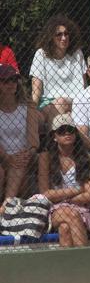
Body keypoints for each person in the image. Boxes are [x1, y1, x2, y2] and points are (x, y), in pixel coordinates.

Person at [38, 114, 90, 247]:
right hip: (53, 209)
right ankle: (85, 260)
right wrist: (77, 190)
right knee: (72, 214)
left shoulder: (85, 157)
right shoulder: (45, 157)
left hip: (82, 208)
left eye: (70, 130)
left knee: (64, 228)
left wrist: (63, 198)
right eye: (61, 131)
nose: (66, 133)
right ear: (54, 136)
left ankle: (70, 267)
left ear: (76, 134)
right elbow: (45, 194)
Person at [30, 14, 86, 126]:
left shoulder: (77, 54)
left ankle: (53, 141)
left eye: (66, 34)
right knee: (59, 105)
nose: (64, 38)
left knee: (61, 103)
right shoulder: (41, 54)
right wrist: (32, 110)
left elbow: (84, 85)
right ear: (51, 37)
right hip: (48, 102)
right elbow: (36, 90)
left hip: (76, 102)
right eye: (59, 34)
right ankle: (55, 140)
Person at [0, 65, 39, 213]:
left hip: (24, 155)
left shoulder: (28, 107)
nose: (11, 84)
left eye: (14, 80)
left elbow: (34, 142)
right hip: (2, 155)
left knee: (19, 164)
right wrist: (7, 158)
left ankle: (5, 207)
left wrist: (25, 154)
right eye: (6, 81)